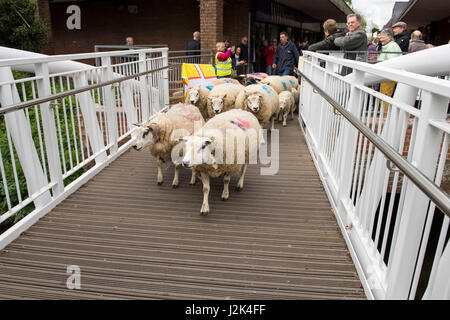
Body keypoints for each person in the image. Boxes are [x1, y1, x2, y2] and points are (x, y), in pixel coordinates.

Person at [377, 28, 402, 113]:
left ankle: (384, 115)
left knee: (385, 96)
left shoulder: (392, 47)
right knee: (383, 95)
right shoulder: (387, 46)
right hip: (384, 76)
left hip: (388, 76)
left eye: (382, 37)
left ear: (389, 37)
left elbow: (392, 62)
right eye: (380, 37)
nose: (380, 39)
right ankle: (383, 113)